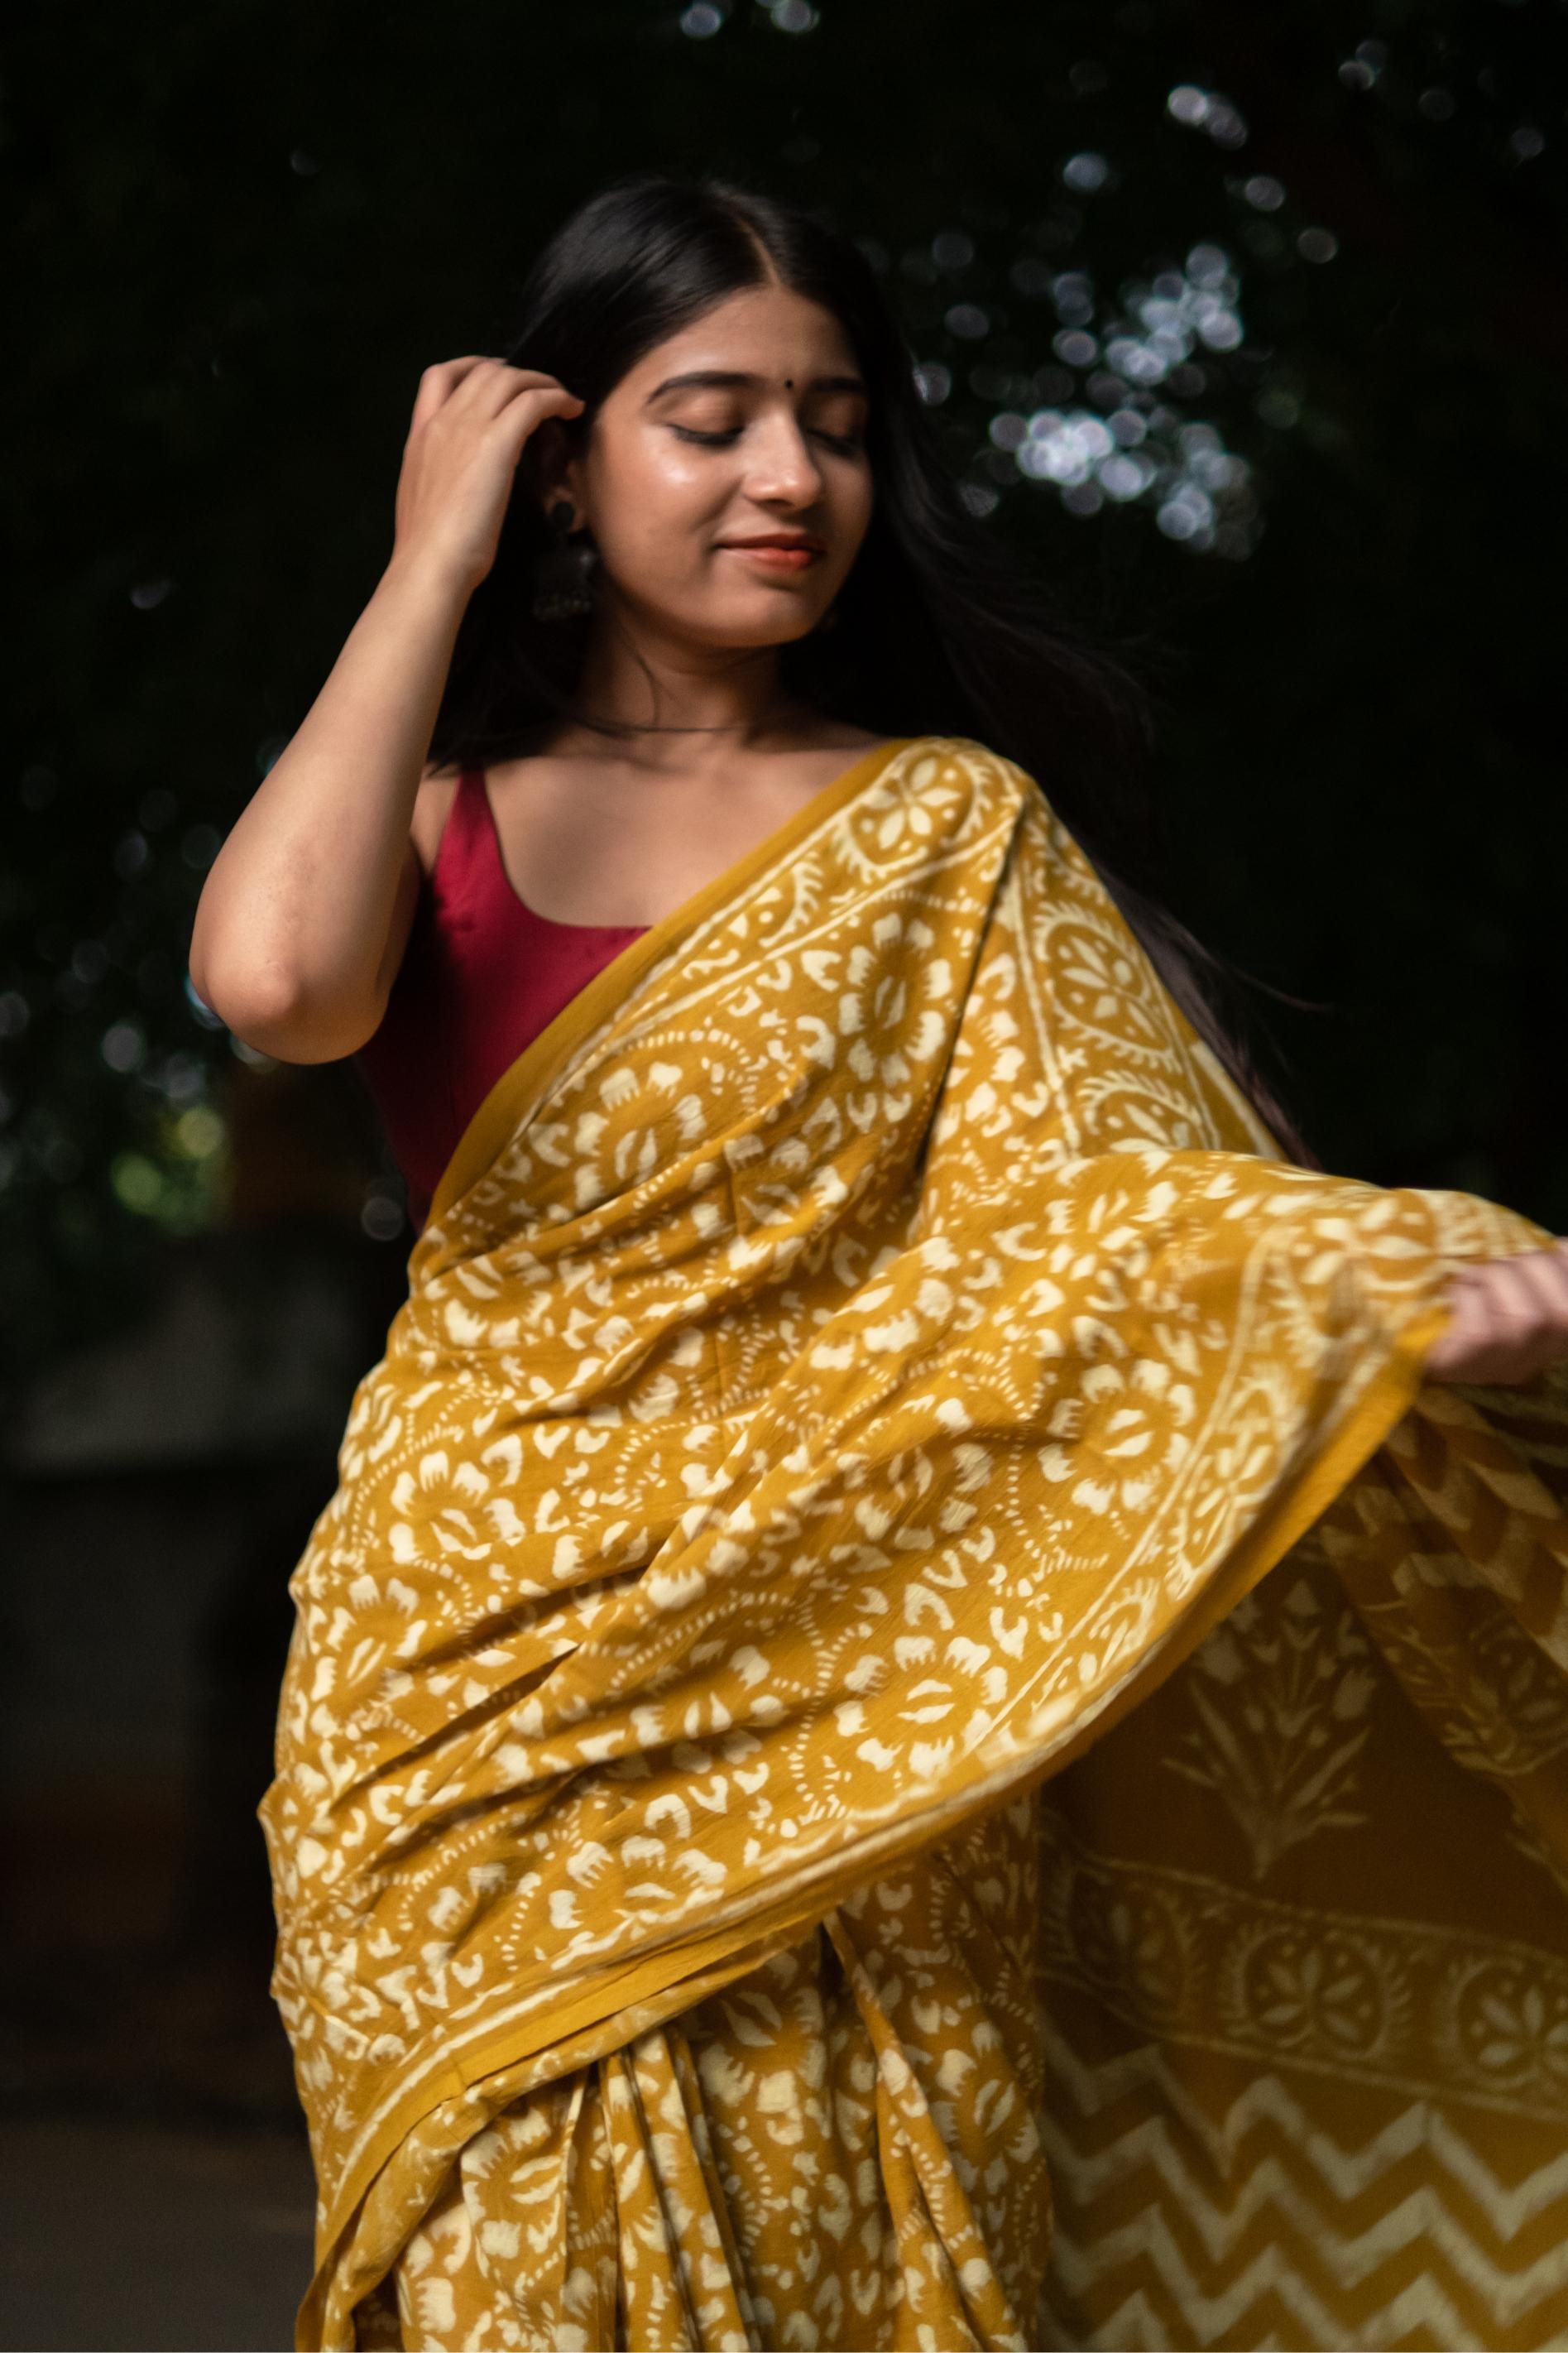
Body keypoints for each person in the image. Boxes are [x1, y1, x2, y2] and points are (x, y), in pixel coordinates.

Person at [189, 172, 1568, 2353]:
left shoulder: (947, 827)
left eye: (834, 421)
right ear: (567, 465)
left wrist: (1388, 1283)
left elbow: (1111, 1202)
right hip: (468, 1701)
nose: (789, 476)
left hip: (853, 1690)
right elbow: (273, 981)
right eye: (709, 415)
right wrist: (428, 554)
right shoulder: (436, 806)